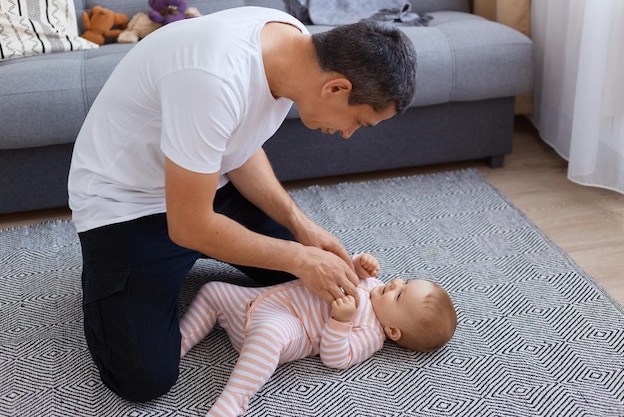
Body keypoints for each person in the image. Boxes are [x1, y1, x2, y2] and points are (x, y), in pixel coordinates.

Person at [67, 6, 417, 402]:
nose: (350, 134)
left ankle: (206, 263)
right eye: (359, 121)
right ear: (336, 88)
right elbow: (189, 226)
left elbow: (239, 145)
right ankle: (110, 283)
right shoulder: (213, 78)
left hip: (204, 182)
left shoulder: (293, 44)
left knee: (302, 272)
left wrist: (299, 225)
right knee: (143, 379)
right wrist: (299, 258)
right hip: (125, 207)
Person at [179, 253, 457, 417]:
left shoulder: (371, 333)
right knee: (213, 290)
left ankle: (233, 401)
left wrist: (341, 321)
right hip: (258, 301)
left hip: (289, 323)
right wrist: (358, 263)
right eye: (405, 281)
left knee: (268, 335)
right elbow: (338, 269)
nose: (395, 283)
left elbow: (335, 358)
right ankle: (180, 341)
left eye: (399, 295)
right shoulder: (374, 284)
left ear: (393, 331)